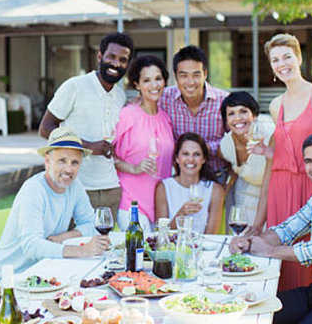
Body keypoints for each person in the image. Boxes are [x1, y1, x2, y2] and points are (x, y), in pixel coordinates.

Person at [249, 33, 312, 291]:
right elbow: (287, 154)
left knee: (310, 259)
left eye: (287, 56)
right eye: (275, 60)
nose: (282, 64)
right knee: (279, 262)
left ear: (299, 58)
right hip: (280, 192)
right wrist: (268, 151)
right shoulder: (275, 105)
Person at [230, 132, 312, 324]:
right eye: (309, 161)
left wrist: (269, 250)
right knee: (248, 312)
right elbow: (286, 230)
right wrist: (249, 243)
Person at [0, 127, 110, 287]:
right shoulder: (34, 190)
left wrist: (64, 237)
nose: (69, 169)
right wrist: (82, 250)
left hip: (44, 273)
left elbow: (90, 223)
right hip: (9, 281)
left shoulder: (74, 185)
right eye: (62, 161)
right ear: (47, 161)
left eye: (75, 163)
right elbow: (32, 246)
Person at [39, 32, 134, 219]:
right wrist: (88, 146)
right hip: (75, 184)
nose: (116, 64)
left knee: (105, 245)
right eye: (111, 57)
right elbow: (45, 128)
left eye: (123, 60)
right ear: (100, 56)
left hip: (110, 188)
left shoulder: (121, 96)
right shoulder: (75, 86)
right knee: (73, 245)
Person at [113, 55, 175, 232]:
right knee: (140, 256)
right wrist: (133, 168)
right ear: (137, 85)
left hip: (160, 206)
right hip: (131, 204)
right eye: (146, 80)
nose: (154, 85)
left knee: (160, 257)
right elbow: (106, 154)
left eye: (158, 79)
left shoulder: (165, 118)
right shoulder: (127, 115)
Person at [159, 45, 229, 180]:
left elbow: (234, 138)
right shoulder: (163, 99)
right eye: (183, 75)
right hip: (179, 178)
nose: (190, 82)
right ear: (175, 76)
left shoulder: (224, 101)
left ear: (206, 74)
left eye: (196, 75)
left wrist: (206, 148)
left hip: (218, 176)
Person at [218, 91, 274, 225]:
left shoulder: (269, 134)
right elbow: (229, 166)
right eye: (231, 113)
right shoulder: (226, 146)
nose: (237, 118)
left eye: (243, 111)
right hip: (244, 196)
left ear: (254, 115)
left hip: (272, 197)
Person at [155, 132, 225, 234]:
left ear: (203, 159)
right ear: (177, 159)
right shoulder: (164, 188)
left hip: (202, 248)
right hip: (172, 248)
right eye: (185, 154)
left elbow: (211, 235)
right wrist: (181, 213)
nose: (191, 159)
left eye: (196, 154)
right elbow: (161, 234)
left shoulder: (215, 190)